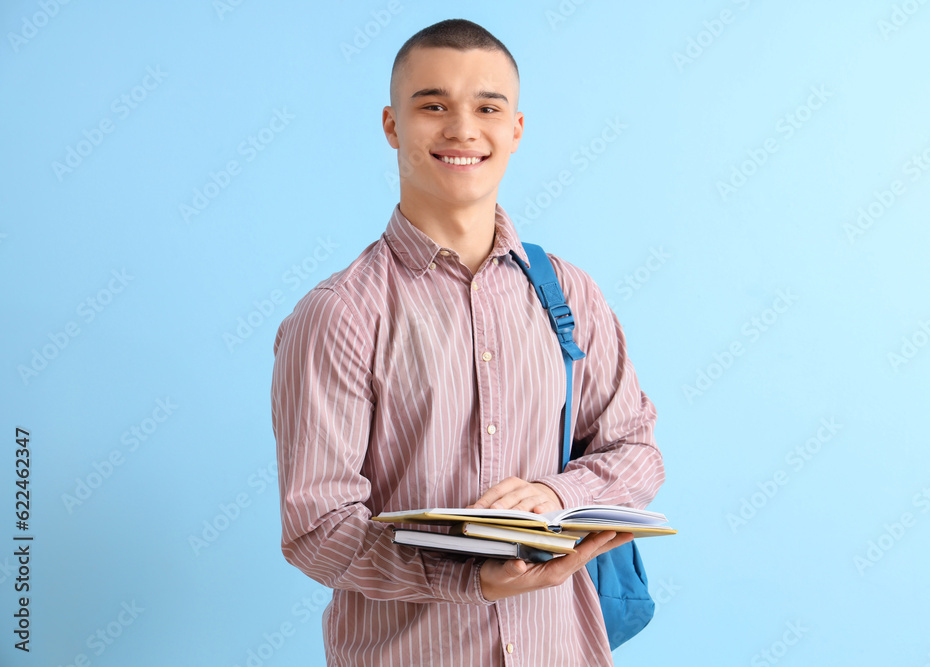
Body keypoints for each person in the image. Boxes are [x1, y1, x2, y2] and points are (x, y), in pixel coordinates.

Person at [271, 18, 664, 666]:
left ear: (515, 129)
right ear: (393, 125)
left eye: (487, 107)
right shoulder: (338, 315)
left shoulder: (566, 293)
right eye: (433, 106)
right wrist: (467, 579)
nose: (462, 129)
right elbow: (318, 529)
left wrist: (558, 495)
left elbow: (637, 450)